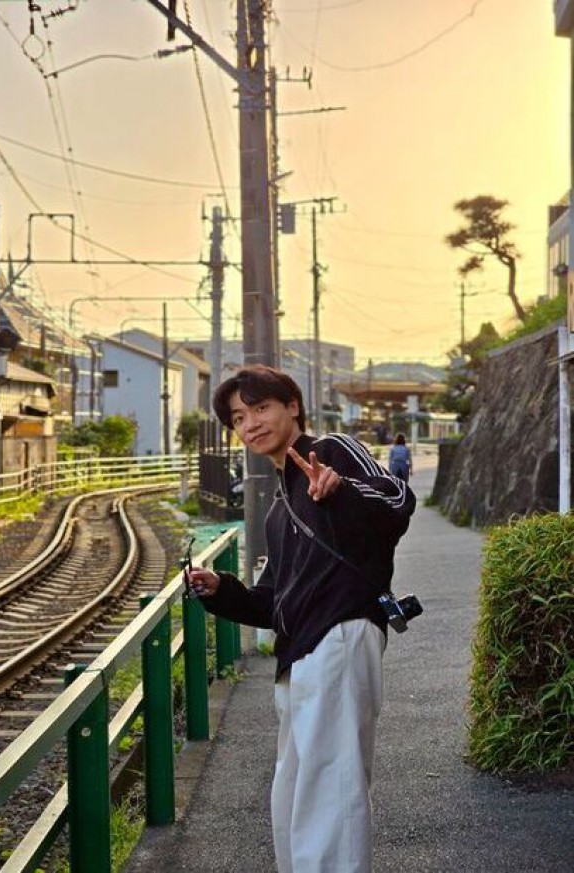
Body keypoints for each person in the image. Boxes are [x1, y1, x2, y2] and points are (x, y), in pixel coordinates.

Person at [188, 365, 415, 873]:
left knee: (330, 791)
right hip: (298, 655)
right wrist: (221, 591)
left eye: (260, 408)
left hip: (341, 635)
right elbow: (272, 602)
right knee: (294, 793)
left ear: (292, 406)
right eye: (238, 418)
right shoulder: (279, 509)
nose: (250, 424)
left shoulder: (331, 450)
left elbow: (398, 500)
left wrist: (339, 489)